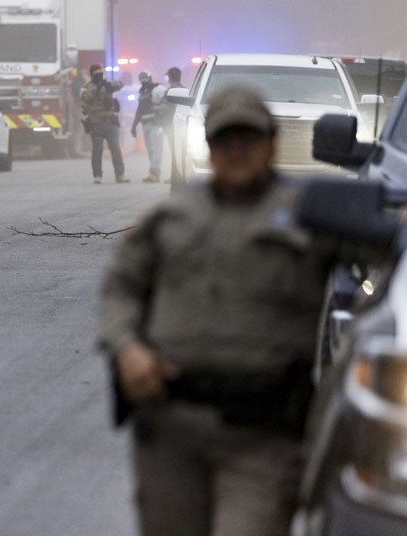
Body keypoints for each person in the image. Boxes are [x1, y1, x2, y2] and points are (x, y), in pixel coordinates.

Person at [98, 86, 322, 536]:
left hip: (263, 436)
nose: (236, 150)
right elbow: (121, 288)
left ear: (272, 142)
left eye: (249, 138)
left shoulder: (312, 218)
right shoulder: (171, 215)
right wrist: (126, 348)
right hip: (170, 429)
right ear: (209, 144)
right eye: (225, 140)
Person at [80, 64, 128, 184]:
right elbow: (85, 97)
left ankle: (120, 175)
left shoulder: (107, 84)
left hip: (109, 122)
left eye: (100, 73)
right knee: (97, 151)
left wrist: (108, 85)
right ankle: (97, 175)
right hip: (95, 124)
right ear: (92, 75)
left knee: (115, 149)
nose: (99, 75)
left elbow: (120, 85)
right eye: (97, 73)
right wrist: (97, 88)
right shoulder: (86, 87)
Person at [131, 71, 164, 183]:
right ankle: (154, 173)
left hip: (156, 124)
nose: (143, 80)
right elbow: (139, 109)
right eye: (141, 78)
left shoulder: (158, 89)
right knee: (150, 150)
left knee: (156, 149)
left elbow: (166, 104)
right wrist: (134, 125)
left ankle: (154, 172)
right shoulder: (142, 92)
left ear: (150, 78)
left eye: (145, 77)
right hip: (145, 124)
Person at [156, 67, 184, 182]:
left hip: (172, 124)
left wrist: (157, 108)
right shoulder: (184, 89)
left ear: (170, 77)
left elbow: (165, 107)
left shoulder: (171, 90)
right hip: (181, 123)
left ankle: (175, 177)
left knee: (174, 151)